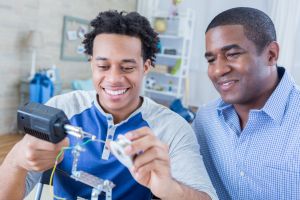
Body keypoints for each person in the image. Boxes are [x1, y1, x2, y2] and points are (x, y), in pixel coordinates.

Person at [0, 10, 217, 200]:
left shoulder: (172, 129)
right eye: (103, 65)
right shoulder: (60, 109)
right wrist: (17, 160)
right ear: (91, 64)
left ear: (146, 66)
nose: (113, 78)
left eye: (127, 68)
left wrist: (170, 189)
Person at [193, 7, 300, 200]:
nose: (218, 71)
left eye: (232, 54)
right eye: (211, 60)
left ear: (271, 54)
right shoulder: (205, 120)